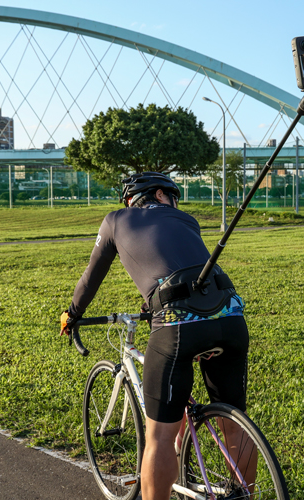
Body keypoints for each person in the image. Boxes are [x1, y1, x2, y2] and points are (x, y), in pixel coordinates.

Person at [61, 172, 251, 500]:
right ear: (161, 195)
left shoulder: (115, 221)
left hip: (177, 324)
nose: (176, 204)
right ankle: (245, 493)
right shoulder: (186, 220)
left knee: (158, 438)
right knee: (235, 424)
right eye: (174, 197)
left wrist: (72, 314)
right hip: (231, 317)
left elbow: (91, 277)